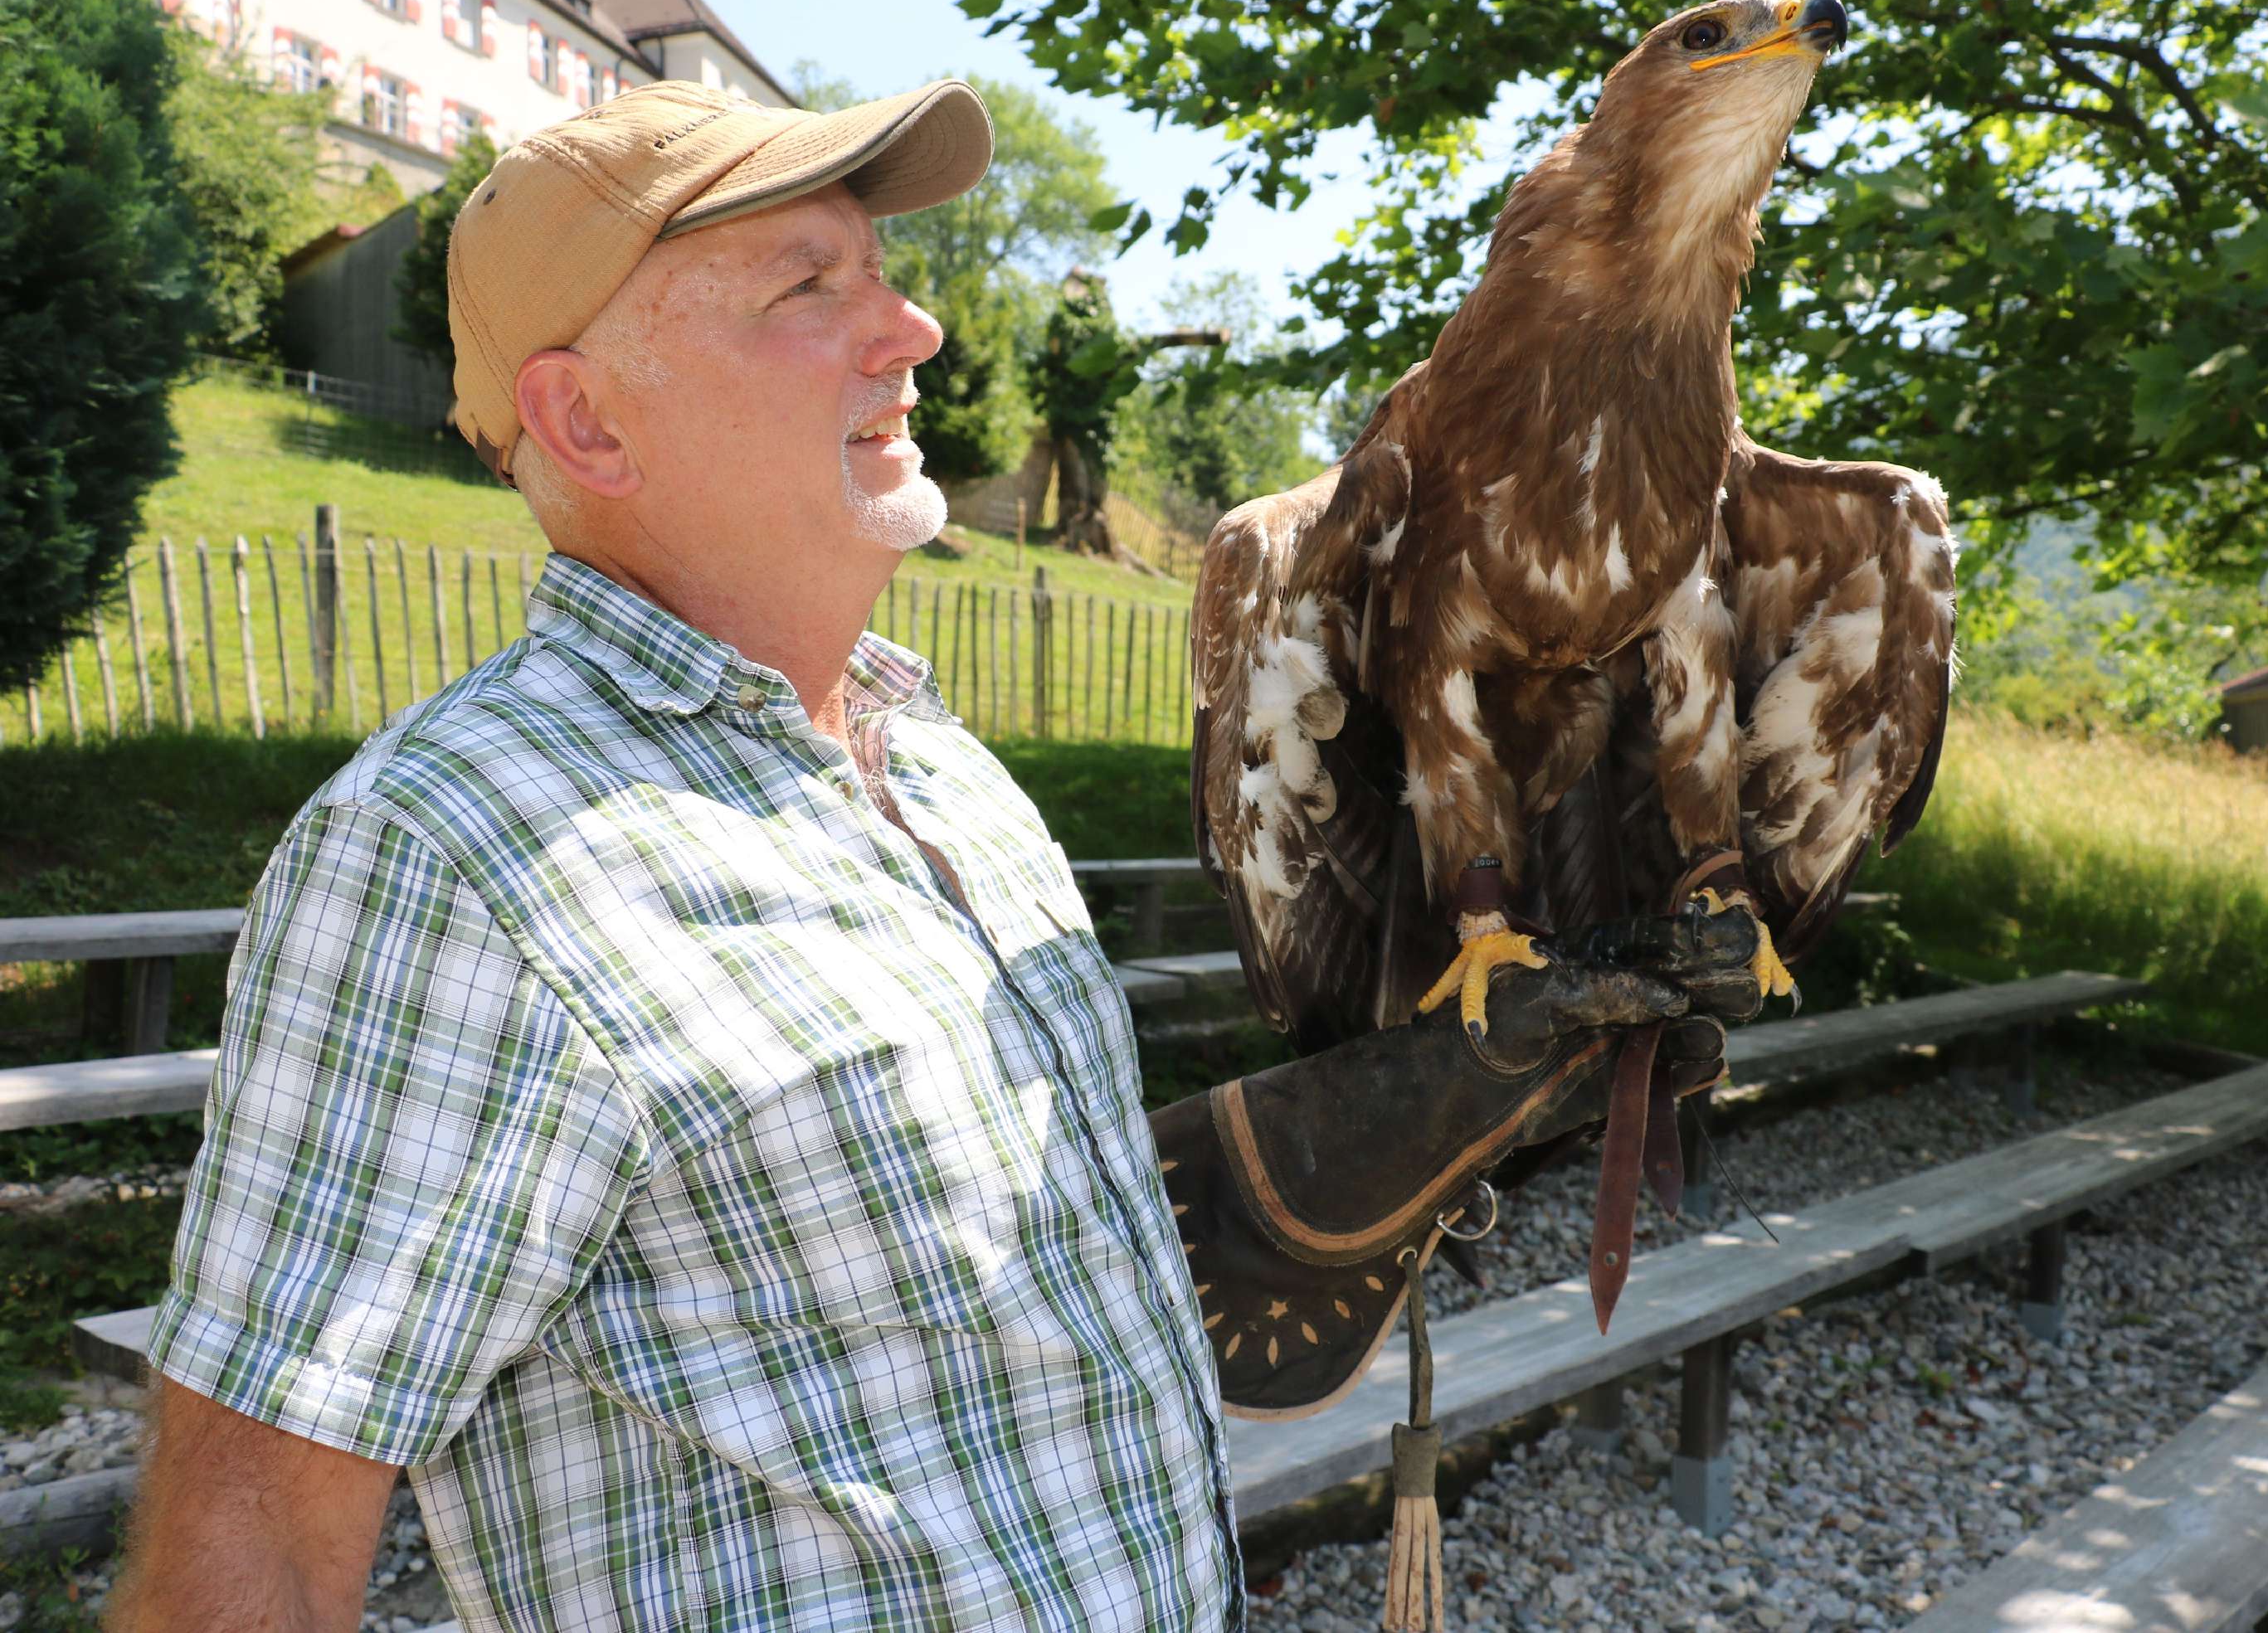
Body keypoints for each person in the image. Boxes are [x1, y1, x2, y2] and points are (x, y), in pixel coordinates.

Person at [101, 80, 1715, 1633]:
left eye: (881, 269)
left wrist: (1404, 1095)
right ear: (585, 419)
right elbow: (253, 1543)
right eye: (808, 286)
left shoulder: (936, 761)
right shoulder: (457, 856)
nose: (914, 328)